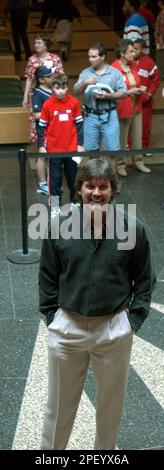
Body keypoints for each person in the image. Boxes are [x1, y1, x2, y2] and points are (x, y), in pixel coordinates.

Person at [39, 157, 156, 450]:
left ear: (113, 190)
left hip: (113, 329)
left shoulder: (133, 228)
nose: (96, 192)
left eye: (103, 186)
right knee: (58, 407)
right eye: (90, 185)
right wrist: (52, 316)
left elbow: (144, 278)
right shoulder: (58, 227)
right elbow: (47, 275)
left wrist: (132, 321)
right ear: (79, 189)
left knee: (111, 407)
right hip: (67, 327)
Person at [38, 73, 83, 203]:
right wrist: (41, 145)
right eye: (57, 88)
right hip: (53, 149)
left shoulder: (74, 102)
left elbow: (79, 125)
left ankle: (75, 203)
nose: (61, 91)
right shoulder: (47, 104)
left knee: (73, 177)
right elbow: (41, 127)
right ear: (52, 88)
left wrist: (80, 144)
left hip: (71, 148)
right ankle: (55, 206)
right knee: (55, 179)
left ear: (67, 87)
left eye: (63, 88)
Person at [73, 43, 127, 153]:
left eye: (94, 57)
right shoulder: (85, 73)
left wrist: (108, 96)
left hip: (110, 116)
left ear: (102, 57)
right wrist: (84, 83)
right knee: (91, 150)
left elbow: (124, 93)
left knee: (112, 151)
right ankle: (94, 170)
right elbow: (76, 91)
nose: (90, 59)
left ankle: (109, 171)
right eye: (89, 56)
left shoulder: (114, 73)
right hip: (90, 116)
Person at [112, 39, 151, 176]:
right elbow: (112, 91)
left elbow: (134, 82)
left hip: (137, 105)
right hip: (123, 108)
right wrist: (130, 92)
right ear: (122, 53)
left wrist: (140, 88)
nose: (134, 53)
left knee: (137, 136)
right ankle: (120, 164)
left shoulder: (133, 65)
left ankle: (138, 162)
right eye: (130, 51)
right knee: (122, 138)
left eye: (134, 50)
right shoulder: (114, 69)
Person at [23, 34, 64, 142]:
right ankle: (41, 147)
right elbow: (29, 79)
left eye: (39, 42)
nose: (36, 45)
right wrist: (25, 97)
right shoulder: (32, 59)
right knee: (37, 118)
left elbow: (61, 77)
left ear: (46, 45)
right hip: (36, 94)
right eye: (35, 42)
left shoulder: (55, 58)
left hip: (53, 93)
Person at [133, 38, 160, 154]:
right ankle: (130, 144)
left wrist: (149, 93)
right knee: (130, 123)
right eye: (132, 49)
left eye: (137, 49)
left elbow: (156, 80)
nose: (134, 52)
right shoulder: (129, 61)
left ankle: (144, 147)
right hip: (132, 100)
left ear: (143, 49)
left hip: (145, 102)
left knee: (145, 125)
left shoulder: (149, 63)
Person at [32, 65, 54, 195]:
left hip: (53, 130)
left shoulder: (53, 90)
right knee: (42, 155)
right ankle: (42, 184)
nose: (52, 78)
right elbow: (36, 114)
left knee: (49, 156)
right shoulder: (38, 93)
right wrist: (53, 113)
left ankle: (49, 182)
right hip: (43, 131)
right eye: (49, 76)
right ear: (41, 80)